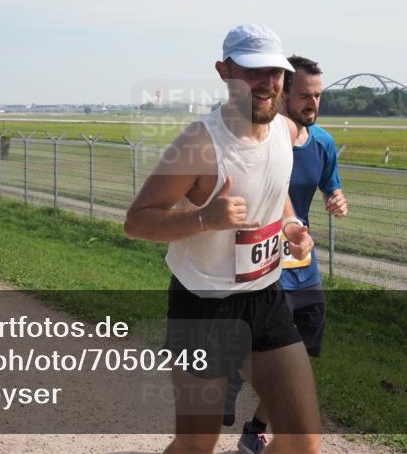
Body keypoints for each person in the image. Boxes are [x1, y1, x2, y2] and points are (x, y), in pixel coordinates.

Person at [124, 24, 321, 454]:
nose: (267, 83)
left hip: (266, 298)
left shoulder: (285, 132)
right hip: (204, 307)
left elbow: (275, 188)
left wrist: (290, 226)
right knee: (197, 443)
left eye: (275, 72)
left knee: (303, 441)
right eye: (253, 72)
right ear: (224, 72)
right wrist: (204, 219)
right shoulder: (199, 144)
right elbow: (137, 222)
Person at [225, 55, 348, 451]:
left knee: (303, 351)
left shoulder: (323, 142)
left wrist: (336, 198)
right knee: (265, 348)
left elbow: (330, 184)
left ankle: (256, 427)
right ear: (283, 95)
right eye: (305, 96)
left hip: (302, 264)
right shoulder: (258, 140)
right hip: (260, 263)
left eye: (318, 95)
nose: (313, 103)